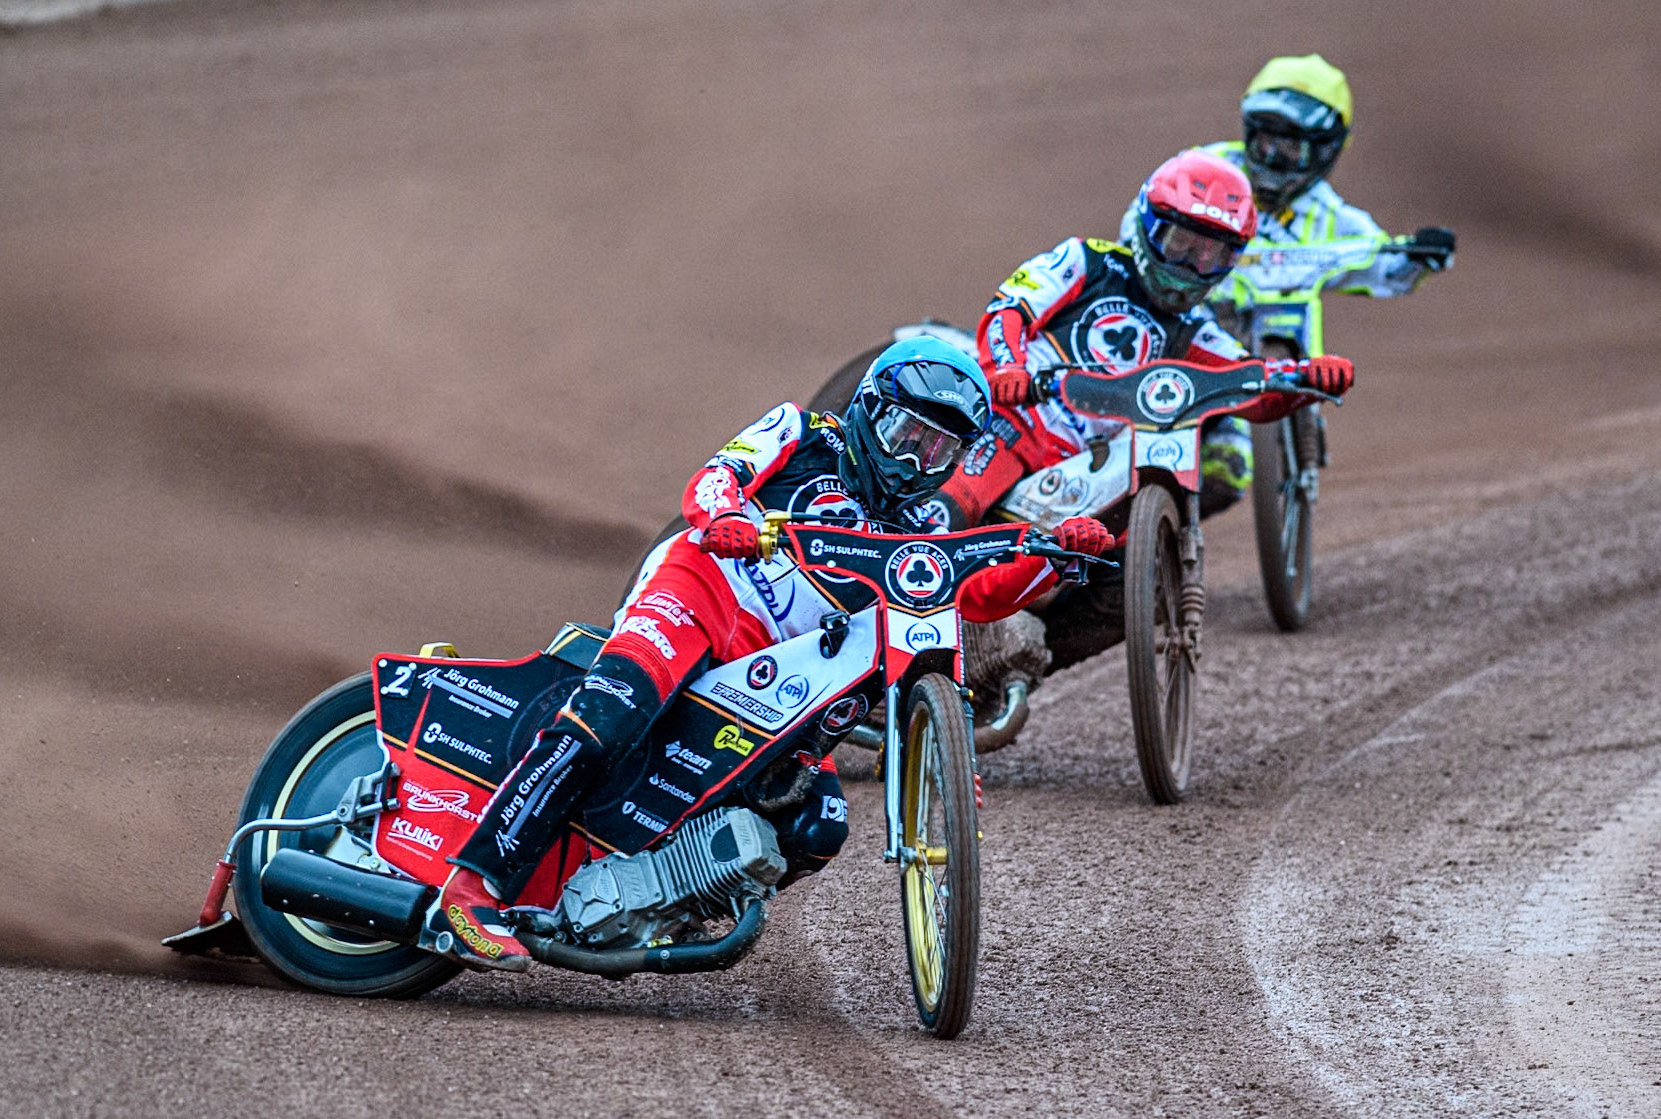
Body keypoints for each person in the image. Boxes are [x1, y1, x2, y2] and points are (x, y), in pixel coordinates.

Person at [422, 336, 1117, 971]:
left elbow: (980, 594)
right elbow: (716, 476)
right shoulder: (800, 433)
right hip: (701, 594)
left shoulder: (925, 525)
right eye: (906, 434)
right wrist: (725, 517)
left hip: (780, 670)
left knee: (818, 823)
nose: (913, 461)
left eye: (936, 452)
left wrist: (1057, 557)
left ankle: (666, 893)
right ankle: (471, 883)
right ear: (869, 409)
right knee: (614, 712)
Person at [931, 147, 1354, 531]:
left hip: (1095, 461)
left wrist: (1306, 380)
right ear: (1150, 227)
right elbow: (1011, 309)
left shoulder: (1197, 328)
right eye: (1182, 244)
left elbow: (1251, 385)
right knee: (951, 508)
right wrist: (1008, 368)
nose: (1192, 265)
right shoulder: (1087, 260)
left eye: (1212, 255)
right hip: (1023, 420)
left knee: (1125, 547)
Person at [1169, 53, 1456, 506]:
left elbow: (1384, 266)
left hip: (1275, 328)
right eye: (1264, 142)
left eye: (1291, 148)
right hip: (1187, 325)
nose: (1273, 158)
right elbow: (1147, 219)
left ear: (1326, 149)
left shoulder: (1329, 216)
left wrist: (1421, 254)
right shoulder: (1207, 172)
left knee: (1224, 476)